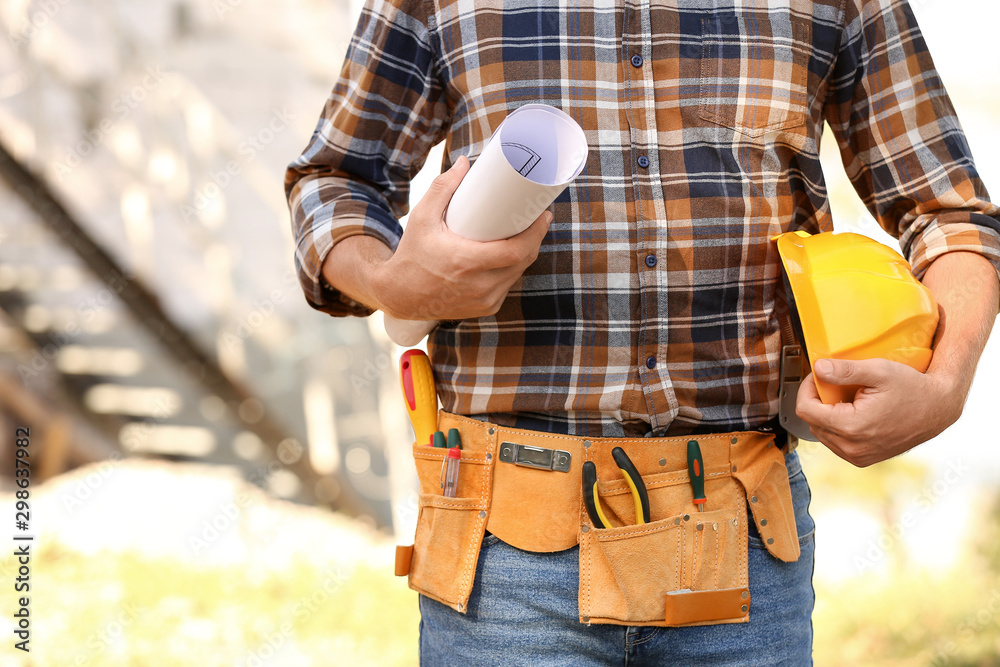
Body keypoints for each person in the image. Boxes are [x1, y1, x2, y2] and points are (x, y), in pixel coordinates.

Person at [286, 0, 1000, 662]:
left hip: (744, 542)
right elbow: (334, 179)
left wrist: (945, 384)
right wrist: (390, 282)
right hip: (502, 561)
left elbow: (951, 213)